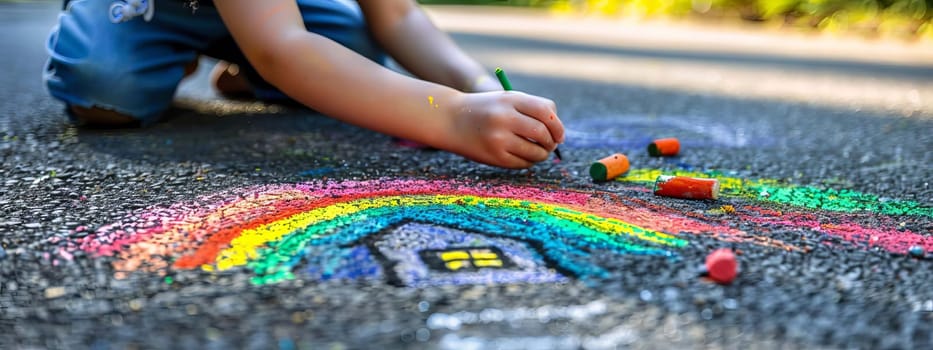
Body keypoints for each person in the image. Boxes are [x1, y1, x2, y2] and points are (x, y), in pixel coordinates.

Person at [45, 0, 564, 169]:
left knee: (354, 48)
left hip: (269, 14)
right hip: (159, 9)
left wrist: (475, 84)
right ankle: (163, 51)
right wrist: (453, 115)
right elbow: (282, 49)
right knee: (106, 92)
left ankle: (244, 68)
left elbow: (399, 18)